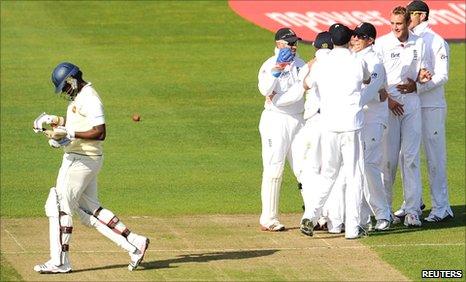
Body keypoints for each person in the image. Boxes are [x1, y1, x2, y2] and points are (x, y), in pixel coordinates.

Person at [33, 62, 149, 273]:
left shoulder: (90, 98)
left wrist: (68, 135)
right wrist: (55, 120)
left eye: (66, 87)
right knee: (90, 211)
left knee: (58, 206)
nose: (66, 92)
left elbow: (100, 132)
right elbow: (77, 122)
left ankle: (59, 261)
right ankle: (135, 243)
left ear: (72, 79)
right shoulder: (80, 98)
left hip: (81, 160)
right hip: (85, 158)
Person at [299, 24, 384, 239]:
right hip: (351, 125)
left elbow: (306, 84)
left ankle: (310, 215)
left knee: (329, 173)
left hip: (329, 124)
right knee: (354, 175)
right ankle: (353, 228)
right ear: (349, 40)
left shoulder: (322, 62)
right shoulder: (357, 60)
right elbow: (366, 79)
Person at [373, 6, 429, 227]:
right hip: (390, 103)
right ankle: (384, 210)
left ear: (408, 23)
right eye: (393, 24)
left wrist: (420, 79)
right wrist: (388, 99)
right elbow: (376, 79)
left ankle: (413, 210)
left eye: (400, 24)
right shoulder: (383, 44)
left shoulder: (420, 42)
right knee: (389, 160)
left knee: (412, 157)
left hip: (412, 102)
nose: (396, 28)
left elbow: (422, 71)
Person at [402, 0, 453, 222]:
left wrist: (420, 86)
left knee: (434, 157)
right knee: (408, 155)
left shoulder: (436, 40)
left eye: (409, 15)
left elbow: (443, 75)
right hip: (411, 105)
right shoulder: (407, 40)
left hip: (431, 105)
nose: (406, 19)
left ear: (421, 16)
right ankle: (412, 202)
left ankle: (441, 206)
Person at [296, 31, 345, 234]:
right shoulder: (340, 64)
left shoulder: (316, 65)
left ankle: (316, 216)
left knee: (311, 171)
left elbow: (304, 83)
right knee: (333, 170)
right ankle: (335, 221)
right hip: (335, 123)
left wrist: (311, 65)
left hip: (315, 122)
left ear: (316, 47)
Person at [257, 28, 306, 231]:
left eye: (296, 43)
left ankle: (312, 215)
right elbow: (265, 90)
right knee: (274, 169)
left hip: (298, 120)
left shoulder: (301, 64)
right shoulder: (269, 65)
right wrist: (278, 67)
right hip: (275, 121)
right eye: (290, 43)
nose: (294, 47)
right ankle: (269, 218)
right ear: (279, 44)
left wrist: (280, 98)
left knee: (305, 168)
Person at [350, 22, 392, 231]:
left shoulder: (375, 61)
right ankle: (363, 217)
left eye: (360, 36)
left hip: (374, 119)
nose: (355, 39)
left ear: (371, 40)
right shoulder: (350, 58)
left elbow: (373, 90)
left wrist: (351, 104)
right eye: (354, 35)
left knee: (369, 165)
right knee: (358, 165)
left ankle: (383, 213)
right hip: (356, 119)